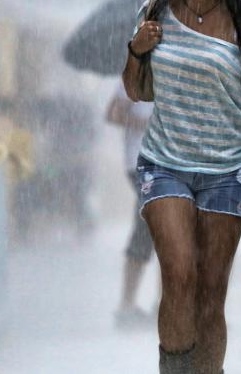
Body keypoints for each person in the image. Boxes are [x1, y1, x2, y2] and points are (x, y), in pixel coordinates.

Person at [122, 0, 241, 374]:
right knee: (179, 275)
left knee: (211, 295)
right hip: (164, 163)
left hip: (227, 170)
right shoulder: (154, 12)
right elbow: (138, 91)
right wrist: (136, 50)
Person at [105, 83, 156, 328]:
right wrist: (147, 125)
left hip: (175, 161)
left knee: (177, 232)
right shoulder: (140, 68)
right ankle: (126, 305)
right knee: (148, 228)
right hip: (143, 162)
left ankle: (168, 302)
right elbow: (113, 113)